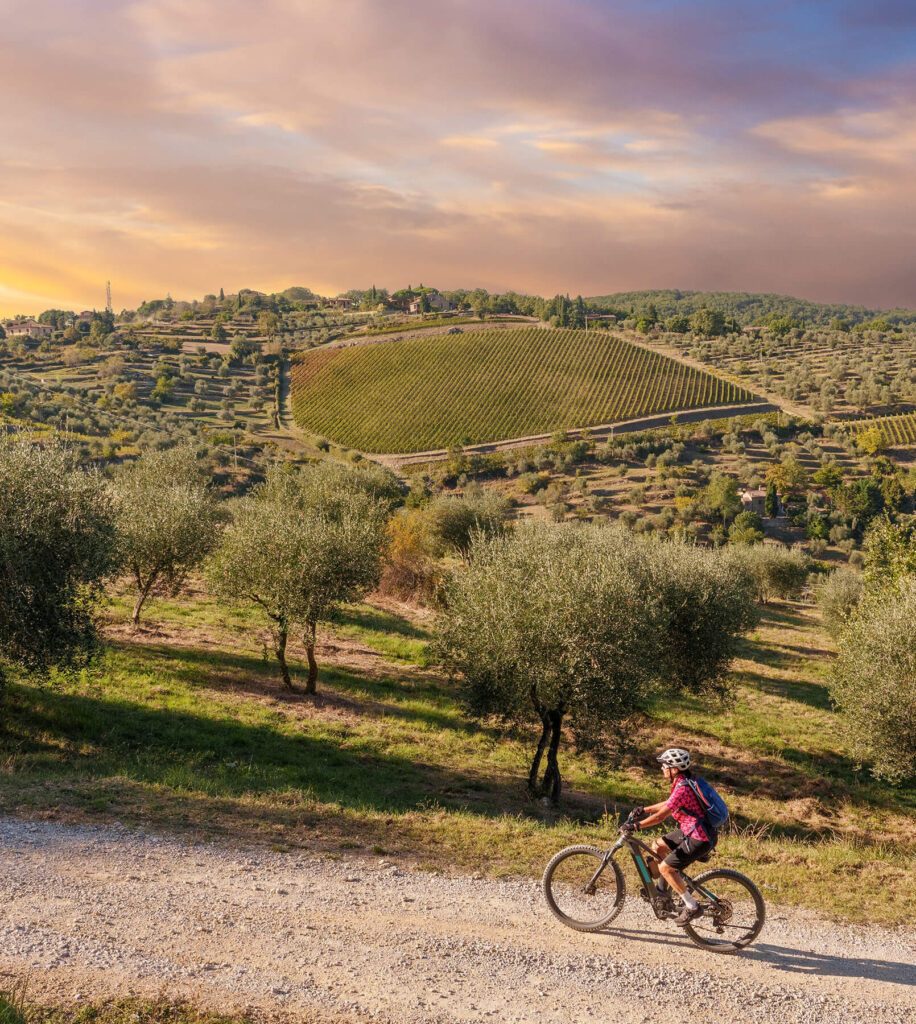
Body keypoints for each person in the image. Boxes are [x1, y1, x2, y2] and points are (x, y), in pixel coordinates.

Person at [630, 747, 712, 926]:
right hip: (691, 830)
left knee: (666, 868)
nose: (662, 769)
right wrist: (644, 809)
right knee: (658, 846)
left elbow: (661, 817)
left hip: (698, 837)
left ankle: (692, 907)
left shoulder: (683, 787)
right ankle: (662, 892)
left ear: (674, 769)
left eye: (664, 765)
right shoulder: (682, 782)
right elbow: (669, 803)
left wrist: (637, 825)